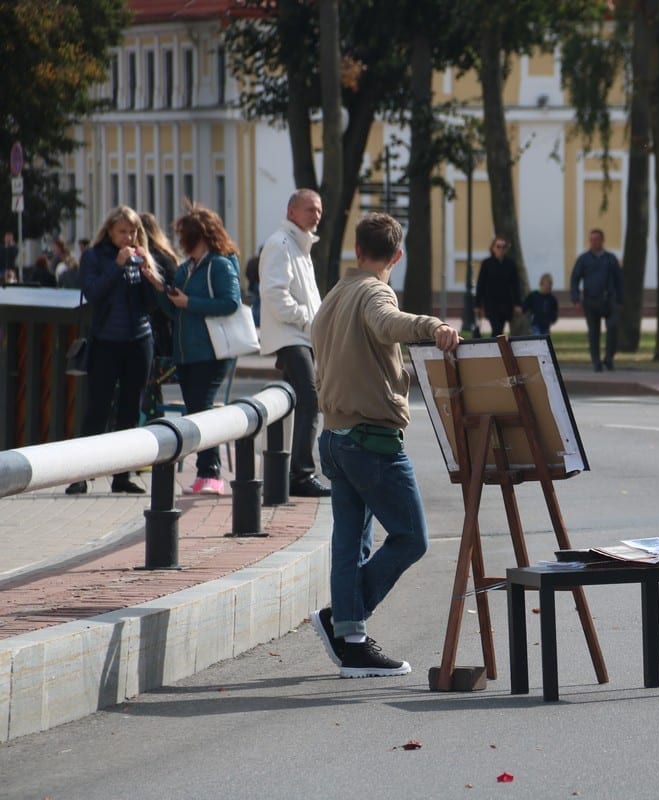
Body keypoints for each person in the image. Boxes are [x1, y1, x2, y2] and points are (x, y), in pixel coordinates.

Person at [308, 212, 461, 678]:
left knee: (349, 539)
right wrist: (433, 327)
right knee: (412, 537)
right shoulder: (374, 291)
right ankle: (344, 618)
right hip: (371, 440)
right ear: (397, 256)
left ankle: (350, 636)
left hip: (334, 436)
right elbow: (389, 322)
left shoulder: (334, 295)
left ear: (357, 250)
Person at [141, 203, 241, 496]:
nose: (182, 242)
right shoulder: (187, 269)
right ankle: (205, 473)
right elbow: (175, 313)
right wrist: (161, 290)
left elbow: (231, 302)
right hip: (186, 353)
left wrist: (190, 303)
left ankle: (210, 473)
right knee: (197, 411)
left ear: (202, 236)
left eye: (187, 236)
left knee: (202, 411)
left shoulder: (220, 265)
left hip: (210, 352)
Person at [65, 207, 158, 495]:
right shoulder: (94, 257)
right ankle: (81, 475)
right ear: (109, 231)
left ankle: (122, 476)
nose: (128, 237)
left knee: (130, 410)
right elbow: (93, 292)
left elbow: (152, 303)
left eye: (132, 232)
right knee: (98, 409)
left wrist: (148, 275)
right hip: (106, 341)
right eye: (122, 232)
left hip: (139, 340)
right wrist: (116, 266)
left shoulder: (140, 256)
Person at [258, 188, 329, 498]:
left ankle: (284, 473)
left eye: (319, 210)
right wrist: (306, 320)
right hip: (292, 336)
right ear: (291, 212)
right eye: (310, 209)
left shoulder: (299, 245)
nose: (317, 215)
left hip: (301, 335)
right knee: (309, 400)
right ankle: (300, 474)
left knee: (291, 403)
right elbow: (275, 294)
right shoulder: (282, 244)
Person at [139, 212, 181, 419]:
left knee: (143, 382)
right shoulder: (169, 256)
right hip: (168, 336)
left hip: (158, 338)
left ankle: (148, 424)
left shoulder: (152, 259)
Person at [569, 228, 623, 371]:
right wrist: (576, 298)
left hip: (609, 300)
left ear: (602, 240)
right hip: (591, 301)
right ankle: (596, 362)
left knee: (613, 328)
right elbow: (575, 279)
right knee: (594, 332)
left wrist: (620, 300)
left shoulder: (610, 258)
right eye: (591, 240)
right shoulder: (584, 259)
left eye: (596, 239)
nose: (594, 242)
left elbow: (619, 280)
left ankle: (609, 358)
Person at [473, 235, 523, 337]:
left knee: (500, 329)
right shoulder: (487, 263)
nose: (501, 249)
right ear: (493, 248)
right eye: (498, 246)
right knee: (496, 328)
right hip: (491, 303)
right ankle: (496, 347)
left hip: (506, 303)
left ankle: (496, 348)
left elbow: (515, 285)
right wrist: (478, 304)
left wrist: (517, 304)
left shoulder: (510, 264)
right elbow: (481, 284)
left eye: (503, 247)